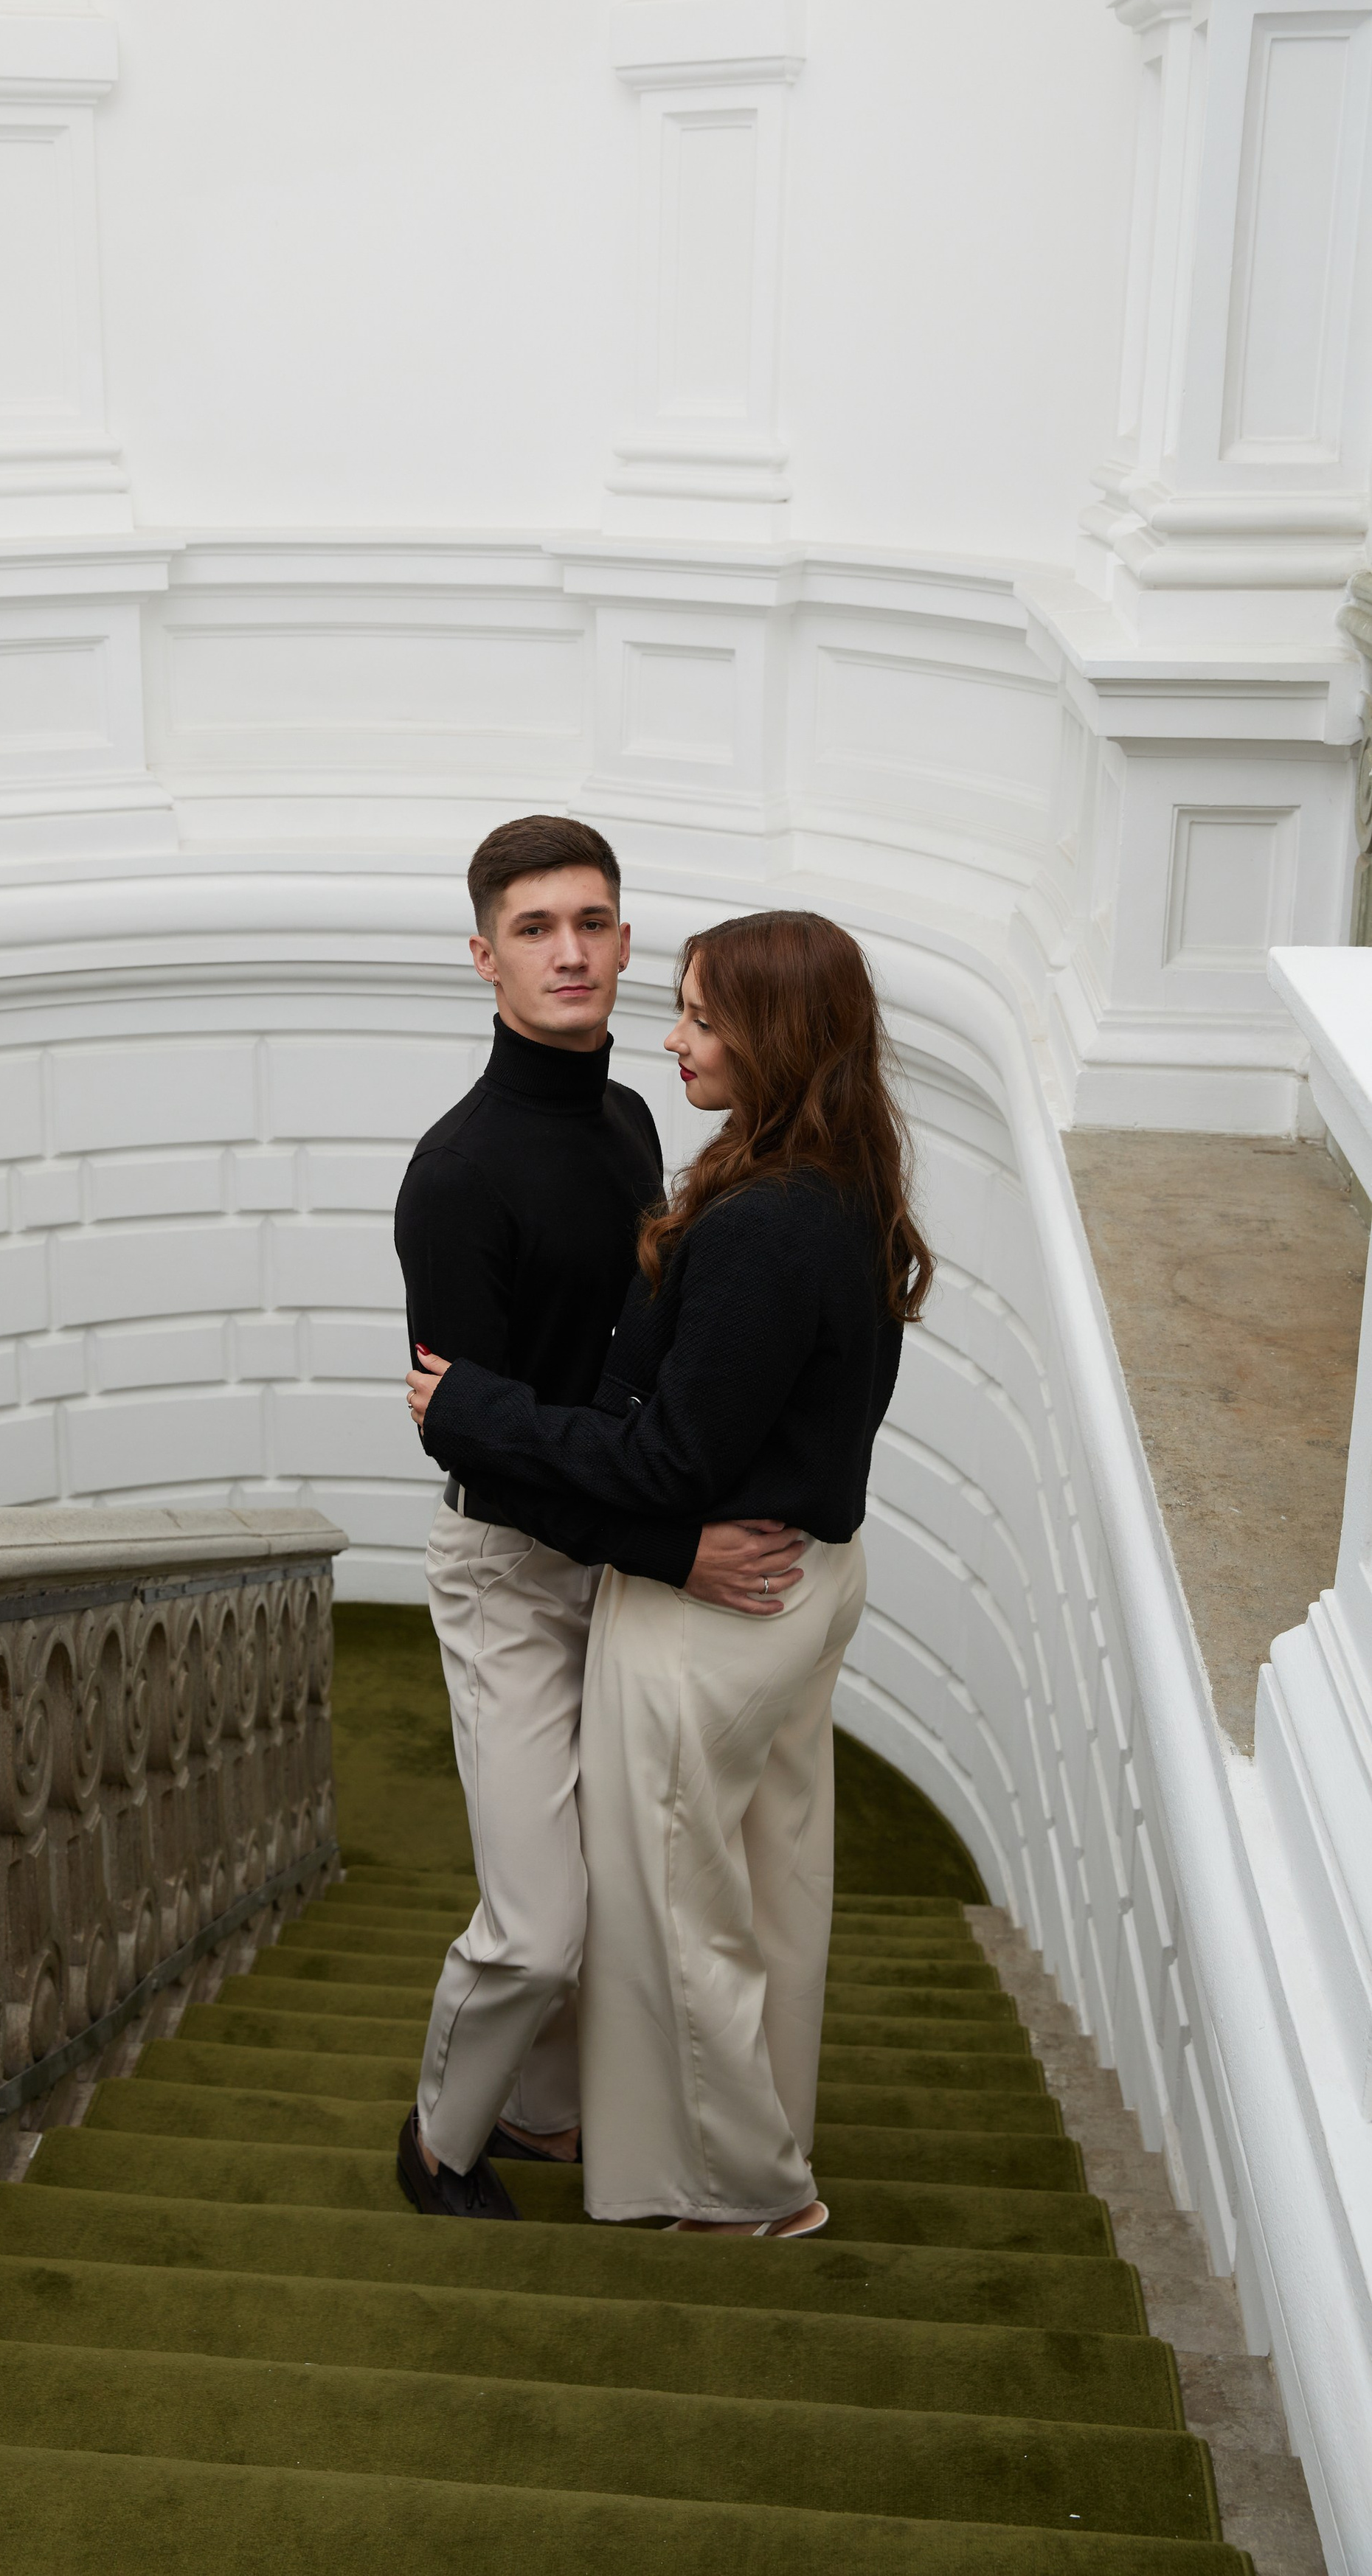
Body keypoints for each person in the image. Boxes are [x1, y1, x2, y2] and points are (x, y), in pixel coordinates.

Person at [408, 909, 932, 2236]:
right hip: (797, 1579)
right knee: (768, 1895)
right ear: (486, 952)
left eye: (702, 1016)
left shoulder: (765, 1216)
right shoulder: (834, 1176)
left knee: (675, 1913)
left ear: (777, 1036)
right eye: (683, 1010)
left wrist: (476, 1408)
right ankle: (681, 2131)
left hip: (720, 1607)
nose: (672, 1036)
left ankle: (743, 2186)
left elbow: (668, 1465)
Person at [392, 818, 809, 2222]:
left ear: (626, 941)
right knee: (537, 1926)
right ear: (485, 958)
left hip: (626, 1570)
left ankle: (543, 2114)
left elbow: (637, 1375)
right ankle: (439, 2141)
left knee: (624, 1889)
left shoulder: (635, 1120)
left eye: (591, 923)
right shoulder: (458, 1176)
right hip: (515, 1574)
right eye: (534, 929)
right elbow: (477, 1444)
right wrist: (677, 1547)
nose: (568, 952)